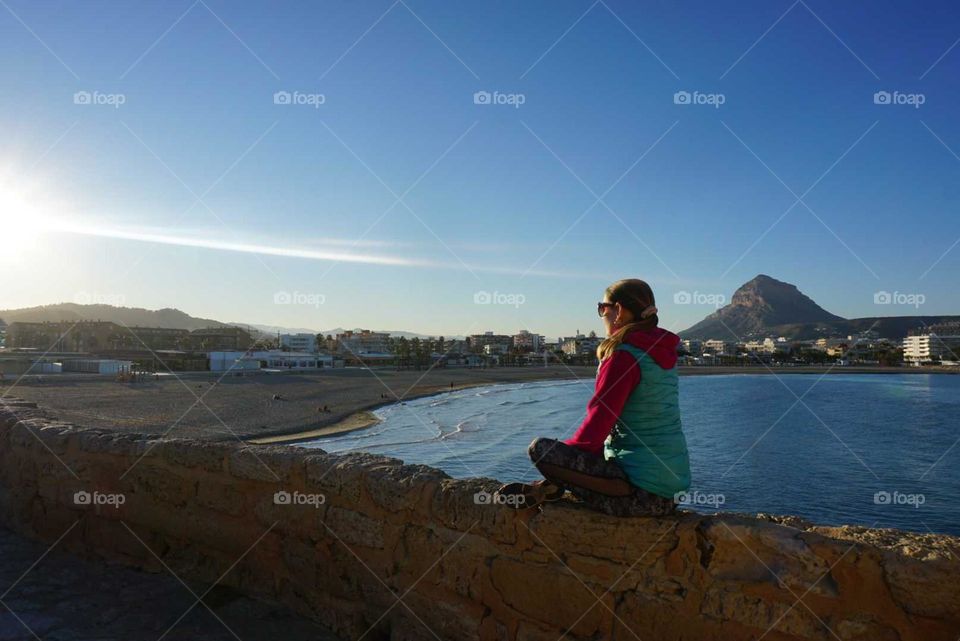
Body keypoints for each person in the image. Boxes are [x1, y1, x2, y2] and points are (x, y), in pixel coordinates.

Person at [495, 278, 691, 517]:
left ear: (618, 310)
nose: (601, 315)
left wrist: (562, 459)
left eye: (602, 308)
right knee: (601, 448)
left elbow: (596, 427)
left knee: (541, 450)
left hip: (640, 497)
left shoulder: (623, 357)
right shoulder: (662, 352)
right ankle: (556, 486)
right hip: (672, 491)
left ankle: (593, 486)